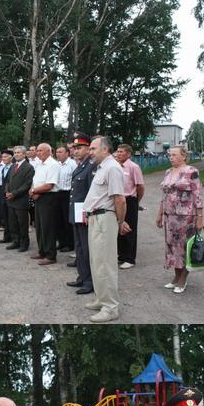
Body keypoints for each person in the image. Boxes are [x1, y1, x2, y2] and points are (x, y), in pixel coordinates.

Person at [82, 136, 126, 322]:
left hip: (105, 218)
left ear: (105, 149)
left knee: (105, 264)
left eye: (93, 148)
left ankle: (111, 307)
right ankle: (102, 298)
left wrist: (120, 222)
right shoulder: (103, 168)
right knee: (96, 261)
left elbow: (120, 199)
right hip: (96, 218)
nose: (90, 152)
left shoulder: (113, 168)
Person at [156, 145, 204, 294]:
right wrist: (159, 214)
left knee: (183, 248)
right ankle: (176, 277)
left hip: (186, 217)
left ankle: (183, 278)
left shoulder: (191, 171)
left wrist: (200, 218)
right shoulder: (168, 172)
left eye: (175, 155)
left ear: (184, 156)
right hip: (169, 217)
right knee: (171, 247)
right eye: (170, 155)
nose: (171, 157)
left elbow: (198, 196)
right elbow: (164, 196)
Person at [67, 134, 96, 295]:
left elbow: (92, 193)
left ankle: (90, 281)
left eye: (80, 148)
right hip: (76, 212)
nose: (76, 151)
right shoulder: (80, 166)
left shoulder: (91, 166)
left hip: (84, 213)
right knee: (79, 247)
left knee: (86, 248)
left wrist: (88, 212)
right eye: (75, 148)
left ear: (88, 149)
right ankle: (82, 277)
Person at [29, 143, 60, 265]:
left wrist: (34, 191)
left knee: (48, 227)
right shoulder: (39, 164)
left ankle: (51, 255)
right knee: (40, 226)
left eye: (41, 150)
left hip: (48, 197)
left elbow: (49, 185)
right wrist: (33, 190)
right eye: (37, 150)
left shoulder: (53, 164)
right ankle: (42, 251)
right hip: (38, 197)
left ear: (49, 151)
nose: (38, 152)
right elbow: (36, 181)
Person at [116, 144, 145, 269]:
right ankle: (121, 256)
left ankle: (130, 258)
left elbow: (140, 186)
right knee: (119, 227)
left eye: (121, 151)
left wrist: (136, 200)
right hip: (118, 200)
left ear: (128, 154)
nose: (118, 153)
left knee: (130, 229)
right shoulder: (116, 166)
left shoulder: (133, 167)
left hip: (130, 200)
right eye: (117, 151)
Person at [6, 146, 35, 252]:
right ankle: (15, 241)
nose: (16, 154)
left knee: (22, 223)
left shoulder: (28, 167)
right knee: (13, 223)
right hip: (11, 199)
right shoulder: (13, 166)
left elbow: (27, 184)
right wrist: (7, 191)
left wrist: (14, 193)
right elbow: (8, 181)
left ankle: (24, 243)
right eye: (15, 152)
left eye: (18, 152)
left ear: (24, 154)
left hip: (21, 200)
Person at [55, 146, 76, 252]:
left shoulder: (72, 164)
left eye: (60, 152)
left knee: (67, 220)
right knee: (58, 219)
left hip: (68, 194)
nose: (58, 154)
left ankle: (70, 243)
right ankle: (61, 241)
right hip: (57, 193)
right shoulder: (56, 164)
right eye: (57, 152)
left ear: (67, 153)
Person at [0, 149, 14, 244]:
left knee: (12, 218)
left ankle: (13, 237)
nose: (3, 159)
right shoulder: (4, 168)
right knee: (5, 217)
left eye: (5, 157)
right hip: (3, 195)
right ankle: (6, 236)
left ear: (10, 158)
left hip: (11, 195)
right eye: (2, 157)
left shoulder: (14, 168)